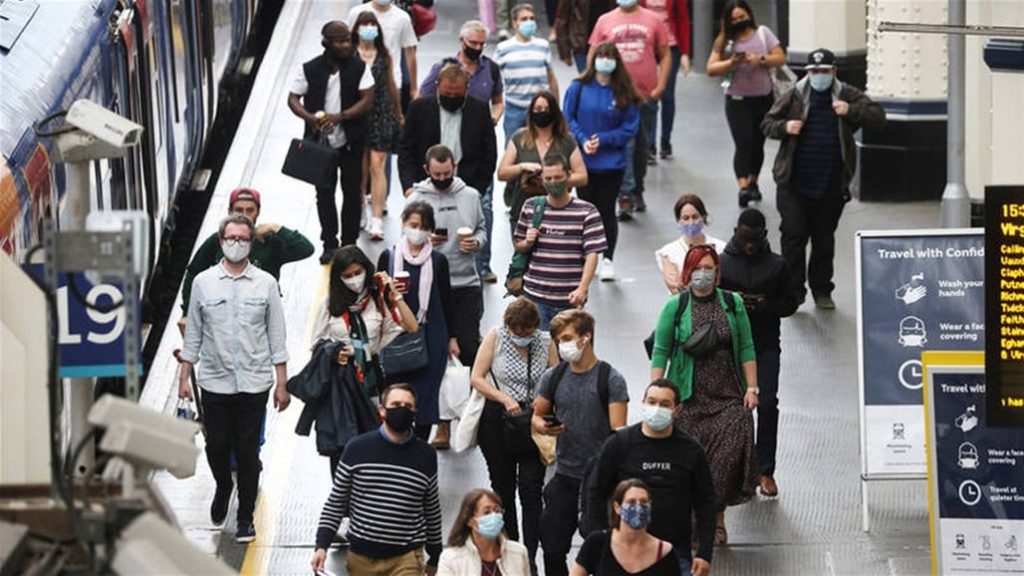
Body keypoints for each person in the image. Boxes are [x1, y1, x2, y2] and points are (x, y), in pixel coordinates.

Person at [178, 214, 290, 544]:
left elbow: (276, 334)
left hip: (255, 382)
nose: (237, 244)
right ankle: (224, 486)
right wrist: (184, 378)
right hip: (214, 381)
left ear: (251, 243)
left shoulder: (266, 284)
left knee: (247, 452)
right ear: (221, 240)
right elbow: (193, 335)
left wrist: (282, 383)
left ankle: (245, 518)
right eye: (231, 238)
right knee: (216, 445)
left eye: (243, 239)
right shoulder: (203, 283)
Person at [649, 244, 758, 545]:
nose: (703, 274)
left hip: (727, 396)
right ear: (688, 271)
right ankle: (697, 520)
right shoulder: (676, 306)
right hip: (689, 398)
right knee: (691, 464)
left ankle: (715, 518)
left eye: (709, 268)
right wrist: (657, 393)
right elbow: (661, 350)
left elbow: (746, 346)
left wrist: (752, 387)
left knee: (724, 462)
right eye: (697, 268)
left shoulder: (732, 303)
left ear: (717, 272)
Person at [761, 48, 886, 310]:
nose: (819, 75)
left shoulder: (846, 94)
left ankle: (821, 290)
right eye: (814, 71)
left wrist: (851, 110)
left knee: (824, 240)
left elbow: (877, 116)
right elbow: (767, 123)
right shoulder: (794, 94)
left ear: (834, 71)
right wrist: (785, 127)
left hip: (831, 185)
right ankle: (794, 292)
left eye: (824, 71)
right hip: (793, 183)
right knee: (793, 237)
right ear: (808, 72)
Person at [532, 309, 629, 576]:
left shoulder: (610, 379)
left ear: (585, 338)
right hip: (565, 475)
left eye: (566, 338)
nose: (561, 345)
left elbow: (619, 434)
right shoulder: (553, 377)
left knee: (601, 548)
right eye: (558, 340)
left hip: (600, 480)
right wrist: (543, 426)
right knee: (552, 546)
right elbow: (537, 416)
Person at [311, 384, 442, 576]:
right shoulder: (357, 449)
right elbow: (336, 502)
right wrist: (321, 546)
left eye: (408, 406)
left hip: (406, 557)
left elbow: (431, 508)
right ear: (382, 410)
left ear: (415, 412)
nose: (402, 410)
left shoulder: (426, 455)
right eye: (396, 404)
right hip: (361, 558)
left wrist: (435, 555)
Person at [586, 380, 715, 576]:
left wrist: (704, 552)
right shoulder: (619, 445)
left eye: (665, 404)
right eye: (652, 402)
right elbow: (596, 492)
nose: (657, 409)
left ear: (677, 410)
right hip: (622, 552)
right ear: (643, 403)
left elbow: (706, 503)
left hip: (674, 552)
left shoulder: (691, 451)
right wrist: (600, 542)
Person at [406, 144, 488, 448]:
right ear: (427, 171)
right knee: (438, 355)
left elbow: (482, 229)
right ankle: (442, 425)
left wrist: (476, 242)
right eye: (437, 174)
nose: (442, 179)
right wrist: (425, 240)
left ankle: (469, 417)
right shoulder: (416, 199)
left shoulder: (471, 196)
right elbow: (405, 238)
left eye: (447, 173)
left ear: (455, 167)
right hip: (431, 285)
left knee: (468, 349)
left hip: (465, 282)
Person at [311, 245, 420, 472]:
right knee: (344, 442)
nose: (354, 279)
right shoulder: (329, 304)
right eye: (347, 275)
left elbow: (411, 326)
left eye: (357, 273)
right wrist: (333, 352)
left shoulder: (378, 301)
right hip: (342, 380)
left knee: (374, 435)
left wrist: (394, 294)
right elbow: (316, 343)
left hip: (372, 377)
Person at [470, 297, 559, 573]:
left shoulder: (545, 342)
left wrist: (542, 406)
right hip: (497, 420)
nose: (520, 335)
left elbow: (555, 378)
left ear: (535, 326)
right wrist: (504, 398)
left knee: (531, 491)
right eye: (515, 330)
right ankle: (509, 550)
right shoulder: (496, 337)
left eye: (526, 330)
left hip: (532, 420)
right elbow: (477, 377)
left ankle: (529, 555)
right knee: (503, 488)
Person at [718, 208, 799, 497]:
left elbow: (791, 302)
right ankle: (738, 469)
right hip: (731, 346)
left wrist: (766, 306)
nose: (750, 245)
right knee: (733, 408)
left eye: (755, 239)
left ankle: (765, 470)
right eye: (745, 239)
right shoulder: (723, 263)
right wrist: (735, 303)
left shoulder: (777, 266)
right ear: (736, 234)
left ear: (764, 236)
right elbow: (713, 301)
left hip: (765, 345)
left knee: (767, 403)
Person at [418, 21, 504, 283]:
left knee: (483, 210)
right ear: (462, 41)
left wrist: (492, 119)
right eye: (472, 43)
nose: (477, 47)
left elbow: (498, 101)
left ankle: (483, 265)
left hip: (474, 155)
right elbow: (423, 100)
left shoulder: (491, 69)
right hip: (445, 152)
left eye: (481, 44)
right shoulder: (442, 68)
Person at [287, 21, 374, 263]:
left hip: (351, 142)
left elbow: (367, 99)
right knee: (324, 194)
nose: (346, 45)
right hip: (320, 143)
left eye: (348, 40)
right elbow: (293, 98)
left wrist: (340, 117)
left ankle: (349, 243)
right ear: (327, 43)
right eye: (340, 41)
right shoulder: (309, 68)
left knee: (352, 192)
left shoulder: (359, 68)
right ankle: (329, 243)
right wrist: (311, 119)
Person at [178, 187, 313, 331]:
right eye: (238, 210)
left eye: (250, 210)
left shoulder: (269, 242)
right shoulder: (218, 240)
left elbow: (306, 248)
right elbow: (194, 271)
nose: (244, 215)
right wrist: (187, 311)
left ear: (258, 212)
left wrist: (275, 228)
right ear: (230, 212)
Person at [377, 202, 458, 441]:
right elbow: (377, 297)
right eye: (413, 225)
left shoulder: (438, 261)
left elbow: (446, 299)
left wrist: (452, 337)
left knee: (426, 395)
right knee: (396, 391)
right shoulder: (389, 257)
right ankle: (396, 440)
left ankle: (419, 443)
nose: (417, 231)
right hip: (397, 335)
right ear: (403, 223)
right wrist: (389, 290)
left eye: (423, 227)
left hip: (432, 334)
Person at [563, 42, 639, 280]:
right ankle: (588, 257)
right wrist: (583, 139)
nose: (605, 60)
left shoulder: (624, 91)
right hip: (583, 163)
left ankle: (608, 258)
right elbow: (569, 117)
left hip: (612, 164)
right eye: (601, 55)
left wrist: (604, 139)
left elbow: (630, 127)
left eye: (610, 56)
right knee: (585, 211)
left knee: (606, 211)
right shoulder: (578, 87)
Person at [588, 0, 670, 216]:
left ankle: (637, 188)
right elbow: (593, 54)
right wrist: (593, 88)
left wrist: (661, 86)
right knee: (625, 145)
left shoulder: (654, 20)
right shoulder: (604, 21)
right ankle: (625, 194)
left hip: (645, 96)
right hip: (614, 96)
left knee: (642, 147)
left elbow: (665, 54)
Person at [705, 0, 787, 208]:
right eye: (734, 19)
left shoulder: (763, 34)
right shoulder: (725, 40)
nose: (739, 21)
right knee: (743, 142)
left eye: (742, 17)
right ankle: (742, 187)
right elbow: (711, 68)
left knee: (758, 143)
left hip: (763, 98)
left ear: (749, 15)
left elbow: (780, 57)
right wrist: (732, 62)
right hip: (736, 99)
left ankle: (753, 182)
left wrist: (760, 60)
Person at [513, 155, 605, 329]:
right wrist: (527, 241)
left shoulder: (587, 211)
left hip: (570, 299)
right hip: (535, 298)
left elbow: (592, 254)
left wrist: (582, 288)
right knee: (539, 346)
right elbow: (519, 244)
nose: (553, 182)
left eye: (558, 178)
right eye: (548, 178)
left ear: (568, 176)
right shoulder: (532, 206)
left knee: (569, 346)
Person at [399, 65, 498, 201]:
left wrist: (478, 189)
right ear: (437, 86)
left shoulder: (480, 110)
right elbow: (406, 150)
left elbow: (489, 153)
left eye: (457, 95)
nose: (452, 97)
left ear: (466, 88)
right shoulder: (418, 109)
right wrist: (409, 187)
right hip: (425, 188)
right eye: (447, 94)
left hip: (467, 188)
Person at [498, 90, 587, 232]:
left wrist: (556, 180)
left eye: (547, 109)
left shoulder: (566, 140)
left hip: (557, 213)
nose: (543, 112)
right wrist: (522, 167)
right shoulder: (519, 138)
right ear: (531, 112)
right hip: (523, 211)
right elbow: (502, 173)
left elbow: (582, 177)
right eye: (538, 109)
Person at [352, 12, 403, 241]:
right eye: (364, 24)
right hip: (357, 114)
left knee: (378, 166)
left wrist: (398, 113)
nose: (369, 28)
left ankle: (376, 219)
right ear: (356, 29)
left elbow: (391, 84)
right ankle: (361, 208)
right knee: (359, 168)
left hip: (382, 113)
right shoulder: (350, 54)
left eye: (373, 24)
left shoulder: (384, 55)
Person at [572, 479, 681, 576]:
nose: (638, 507)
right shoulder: (597, 543)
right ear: (617, 507)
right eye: (631, 502)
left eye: (643, 502)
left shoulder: (664, 552)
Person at [495, 4, 560, 145]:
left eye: (532, 18)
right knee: (513, 148)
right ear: (514, 22)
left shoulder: (543, 46)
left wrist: (556, 106)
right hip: (514, 109)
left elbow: (551, 77)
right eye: (524, 19)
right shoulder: (503, 49)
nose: (529, 22)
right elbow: (494, 79)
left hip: (540, 109)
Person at [637, 0, 691, 159]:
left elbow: (683, 21)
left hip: (670, 46)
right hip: (648, 45)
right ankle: (649, 145)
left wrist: (685, 53)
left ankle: (665, 141)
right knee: (649, 96)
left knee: (667, 95)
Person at [437, 489, 533, 576]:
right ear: (470, 521)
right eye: (487, 512)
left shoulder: (518, 552)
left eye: (497, 511)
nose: (494, 516)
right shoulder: (451, 559)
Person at [347, 0, 419, 103]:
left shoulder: (402, 17)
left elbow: (410, 52)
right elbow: (348, 42)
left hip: (392, 79)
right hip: (357, 79)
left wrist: (414, 87)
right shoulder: (356, 13)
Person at [654, 193, 727, 294]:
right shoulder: (668, 252)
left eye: (695, 217)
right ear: (678, 220)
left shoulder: (721, 248)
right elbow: (674, 287)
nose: (691, 222)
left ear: (703, 217)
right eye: (686, 218)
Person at [554, 0, 615, 72]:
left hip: (607, 43)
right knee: (586, 75)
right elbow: (562, 20)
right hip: (581, 43)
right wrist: (565, 52)